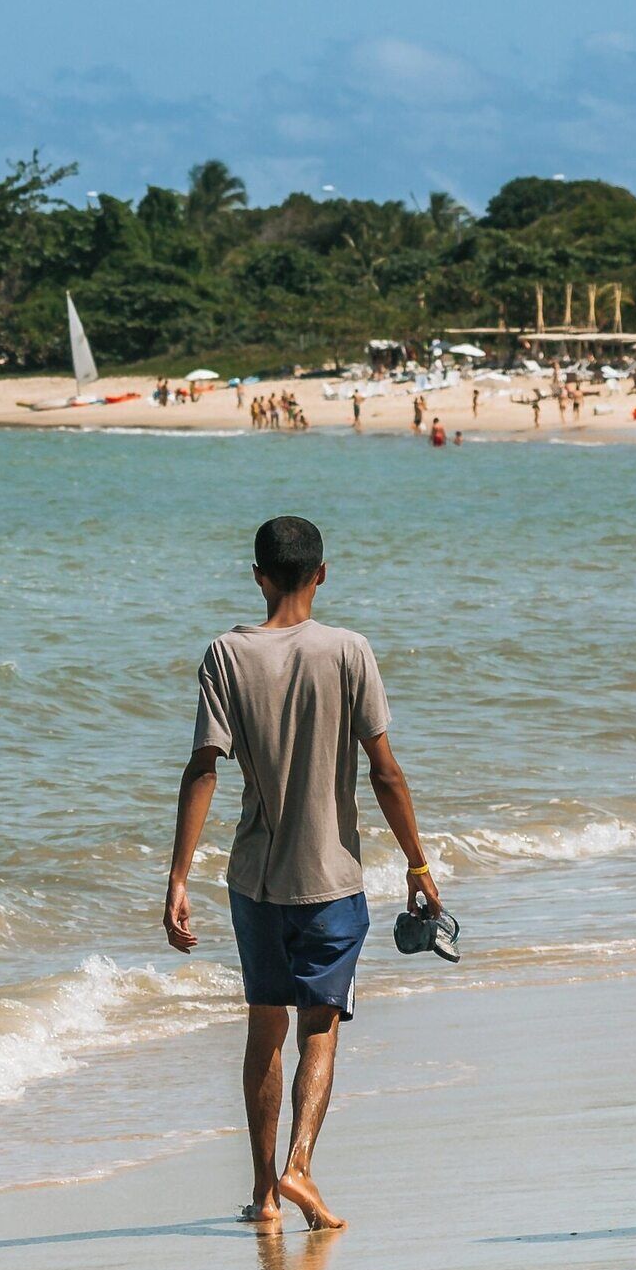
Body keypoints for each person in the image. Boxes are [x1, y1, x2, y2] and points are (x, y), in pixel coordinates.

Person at [163, 515, 440, 1232]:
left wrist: (178, 879)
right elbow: (384, 771)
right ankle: (300, 1167)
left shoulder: (225, 655)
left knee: (265, 1028)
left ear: (257, 575)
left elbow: (203, 771)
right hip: (331, 878)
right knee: (320, 1024)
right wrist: (417, 862)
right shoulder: (349, 652)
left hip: (254, 877)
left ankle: (262, 1198)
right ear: (322, 574)